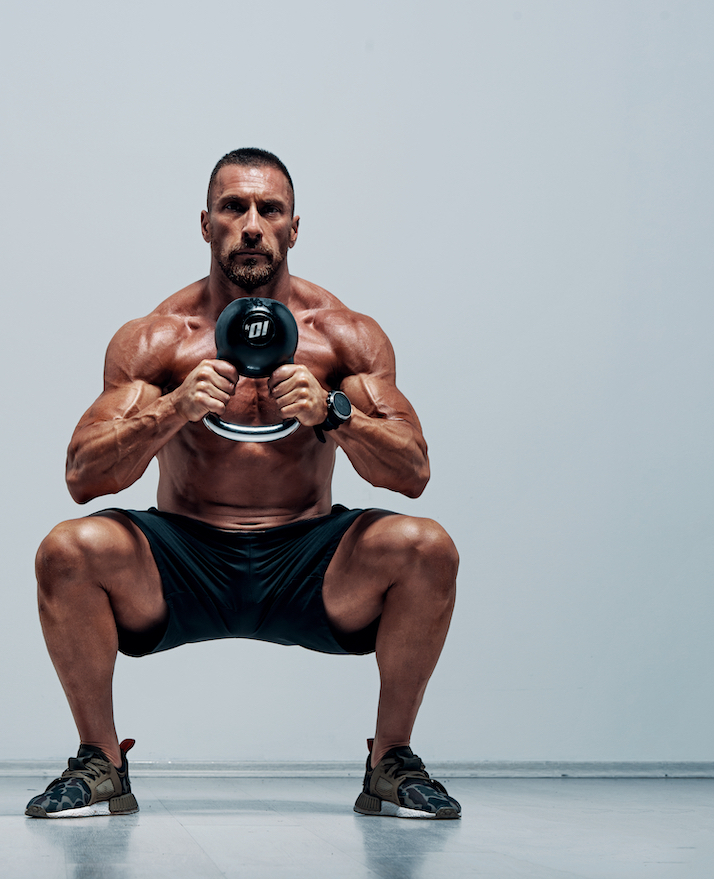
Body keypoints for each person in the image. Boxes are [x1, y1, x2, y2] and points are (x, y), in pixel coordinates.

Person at [25, 148, 461, 820]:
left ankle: (391, 761)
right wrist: (172, 410)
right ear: (206, 224)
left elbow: (413, 472)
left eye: (269, 209)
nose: (251, 224)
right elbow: (82, 474)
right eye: (234, 207)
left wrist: (334, 412)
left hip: (308, 561)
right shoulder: (159, 339)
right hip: (185, 559)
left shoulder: (344, 335)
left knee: (427, 546)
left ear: (293, 227)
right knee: (67, 548)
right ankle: (100, 759)